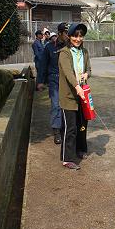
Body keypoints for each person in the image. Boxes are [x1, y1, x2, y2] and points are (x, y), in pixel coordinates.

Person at [58, 23, 91, 170]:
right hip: (69, 96)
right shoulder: (65, 53)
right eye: (75, 36)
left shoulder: (84, 52)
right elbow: (68, 73)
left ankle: (80, 149)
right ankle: (67, 158)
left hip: (82, 94)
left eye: (80, 36)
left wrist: (86, 74)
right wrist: (77, 87)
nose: (78, 39)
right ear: (70, 36)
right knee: (70, 128)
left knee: (82, 125)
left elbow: (89, 68)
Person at [37, 23, 69, 144]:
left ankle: (66, 129)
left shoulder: (70, 47)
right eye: (66, 33)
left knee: (67, 105)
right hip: (54, 80)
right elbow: (43, 65)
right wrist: (40, 81)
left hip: (67, 80)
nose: (68, 36)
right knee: (56, 105)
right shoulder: (49, 47)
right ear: (60, 33)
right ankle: (56, 131)